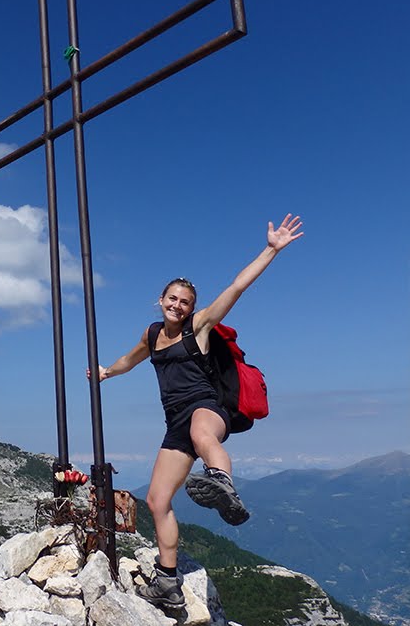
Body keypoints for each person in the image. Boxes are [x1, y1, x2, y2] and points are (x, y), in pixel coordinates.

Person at [92, 214, 303, 609]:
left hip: (207, 408)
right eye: (172, 299)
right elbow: (130, 359)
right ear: (161, 299)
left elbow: (236, 287)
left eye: (185, 302)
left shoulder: (200, 326)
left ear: (192, 308)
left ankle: (222, 484)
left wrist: (271, 250)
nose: (177, 305)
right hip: (174, 423)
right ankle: (168, 584)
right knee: (156, 500)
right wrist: (106, 372)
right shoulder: (152, 334)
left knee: (202, 436)